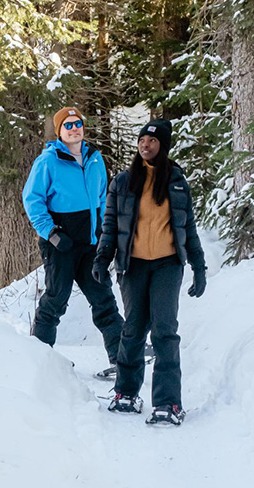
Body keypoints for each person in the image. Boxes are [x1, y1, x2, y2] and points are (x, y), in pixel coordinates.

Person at [93, 118, 207, 426]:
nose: (146, 145)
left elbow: (188, 228)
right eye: (143, 140)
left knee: (164, 332)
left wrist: (199, 266)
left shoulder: (177, 182)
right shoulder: (123, 181)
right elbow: (111, 226)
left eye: (153, 141)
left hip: (168, 265)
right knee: (133, 329)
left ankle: (168, 403)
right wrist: (102, 260)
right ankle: (126, 393)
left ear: (164, 146)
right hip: (133, 265)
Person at [22, 106, 123, 366]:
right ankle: (38, 358)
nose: (74, 129)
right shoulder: (48, 160)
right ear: (59, 131)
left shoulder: (94, 158)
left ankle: (122, 356)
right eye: (68, 125)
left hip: (91, 243)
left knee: (103, 297)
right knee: (57, 297)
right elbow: (32, 200)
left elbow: (101, 197)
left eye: (77, 123)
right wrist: (52, 233)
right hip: (61, 244)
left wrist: (102, 231)